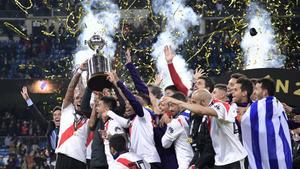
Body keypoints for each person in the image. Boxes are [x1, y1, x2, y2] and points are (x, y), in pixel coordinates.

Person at [163, 89, 247, 169]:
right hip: (219, 160)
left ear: (203, 102)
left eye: (194, 102)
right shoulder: (199, 117)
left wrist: (178, 102)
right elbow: (195, 138)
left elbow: (165, 143)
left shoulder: (220, 105)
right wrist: (188, 141)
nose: (191, 105)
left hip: (234, 158)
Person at [106, 71, 161, 168]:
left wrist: (118, 82)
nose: (126, 107)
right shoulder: (134, 120)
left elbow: (131, 99)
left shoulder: (144, 115)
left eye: (129, 104)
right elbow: (126, 100)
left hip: (149, 160)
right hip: (140, 160)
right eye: (126, 104)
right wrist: (115, 83)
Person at [241, 78, 293, 169]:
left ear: (265, 92)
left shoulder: (259, 105)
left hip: (268, 157)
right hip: (282, 153)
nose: (254, 92)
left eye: (256, 89)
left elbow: (245, 121)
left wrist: (239, 114)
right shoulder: (278, 104)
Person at [55, 62, 89, 169]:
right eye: (78, 98)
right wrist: (79, 71)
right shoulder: (67, 109)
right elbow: (70, 89)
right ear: (73, 101)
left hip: (81, 160)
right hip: (64, 157)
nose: (80, 100)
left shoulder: (88, 119)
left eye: (82, 98)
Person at [20, 86, 61, 169]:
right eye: (55, 115)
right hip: (53, 162)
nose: (57, 117)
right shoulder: (49, 126)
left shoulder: (66, 127)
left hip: (65, 161)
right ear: (53, 117)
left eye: (59, 114)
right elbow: (37, 115)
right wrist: (28, 100)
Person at [161, 92, 194, 169]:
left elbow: (165, 143)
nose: (170, 109)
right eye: (169, 106)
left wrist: (169, 124)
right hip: (195, 160)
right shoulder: (192, 114)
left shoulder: (177, 121)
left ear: (180, 104)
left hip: (185, 163)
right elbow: (189, 139)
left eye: (172, 105)